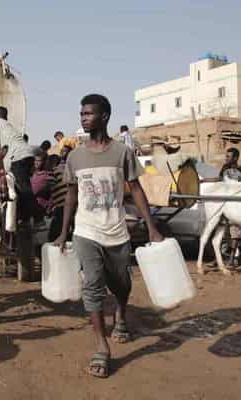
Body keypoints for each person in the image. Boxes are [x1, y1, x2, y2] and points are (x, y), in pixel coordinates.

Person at [55, 94, 163, 378]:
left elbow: (136, 189)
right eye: (81, 113)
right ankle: (101, 347)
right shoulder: (75, 156)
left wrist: (151, 226)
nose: (83, 118)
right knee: (92, 284)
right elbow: (70, 197)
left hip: (116, 231)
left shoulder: (122, 153)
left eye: (89, 113)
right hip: (86, 231)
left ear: (104, 117)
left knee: (122, 284)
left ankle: (121, 315)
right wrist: (63, 233)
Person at [0, 106, 38, 225]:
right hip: (27, 155)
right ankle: (22, 217)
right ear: (6, 116)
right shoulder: (9, 128)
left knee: (23, 187)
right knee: (18, 187)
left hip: (19, 156)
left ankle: (36, 217)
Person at [48, 144, 74, 242]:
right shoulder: (56, 170)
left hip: (67, 206)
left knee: (56, 233)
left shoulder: (73, 169)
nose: (62, 153)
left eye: (65, 151)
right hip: (62, 205)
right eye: (61, 151)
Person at [31, 152, 55, 224]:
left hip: (42, 209)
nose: (36, 163)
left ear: (44, 162)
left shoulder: (48, 175)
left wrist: (49, 207)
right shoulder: (32, 174)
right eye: (35, 160)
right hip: (32, 208)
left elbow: (53, 192)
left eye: (39, 161)